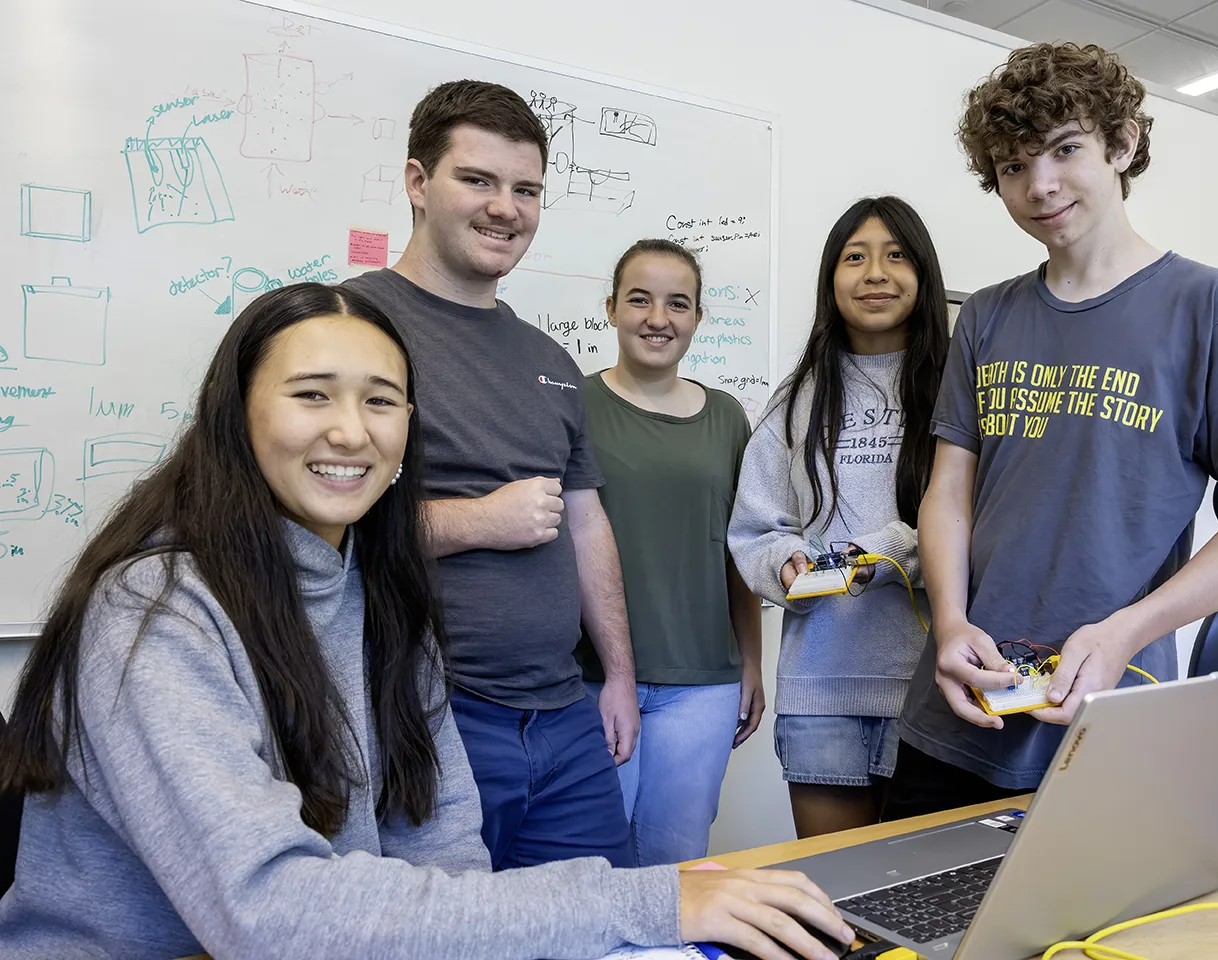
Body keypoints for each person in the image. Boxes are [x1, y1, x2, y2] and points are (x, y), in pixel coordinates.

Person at [0, 283, 854, 960]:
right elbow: (270, 915)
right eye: (310, 395)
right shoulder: (155, 612)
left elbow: (443, 853)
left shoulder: (386, 594)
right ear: (236, 414)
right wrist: (649, 899)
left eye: (381, 401)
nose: (349, 431)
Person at [885, 42, 1218, 819]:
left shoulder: (1210, 307)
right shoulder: (987, 314)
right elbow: (948, 496)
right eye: (1012, 167)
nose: (1039, 184)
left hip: (1111, 711)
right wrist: (949, 622)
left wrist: (1126, 631)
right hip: (962, 703)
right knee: (910, 935)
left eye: (1065, 149)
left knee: (1083, 940)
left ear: (1123, 145)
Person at [344, 81, 640, 869]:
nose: (505, 208)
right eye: (477, 180)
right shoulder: (346, 328)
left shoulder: (550, 361)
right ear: (416, 183)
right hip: (426, 713)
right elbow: (303, 526)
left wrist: (617, 674)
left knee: (601, 929)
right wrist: (481, 520)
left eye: (526, 189)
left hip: (564, 713)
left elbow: (585, 523)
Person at [728, 197, 950, 838]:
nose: (875, 273)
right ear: (831, 278)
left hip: (936, 687)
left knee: (929, 897)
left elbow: (969, 512)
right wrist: (785, 562)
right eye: (855, 257)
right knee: (838, 900)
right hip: (821, 691)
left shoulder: (958, 389)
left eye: (895, 255)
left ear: (924, 274)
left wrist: (874, 554)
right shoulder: (797, 399)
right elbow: (755, 527)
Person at [579, 238, 764, 866]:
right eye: (640, 299)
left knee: (675, 865)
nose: (658, 318)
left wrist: (751, 664)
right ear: (611, 307)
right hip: (591, 679)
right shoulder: (574, 405)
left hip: (703, 684)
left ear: (697, 317)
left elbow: (740, 552)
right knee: (595, 865)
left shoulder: (727, 418)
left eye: (677, 304)